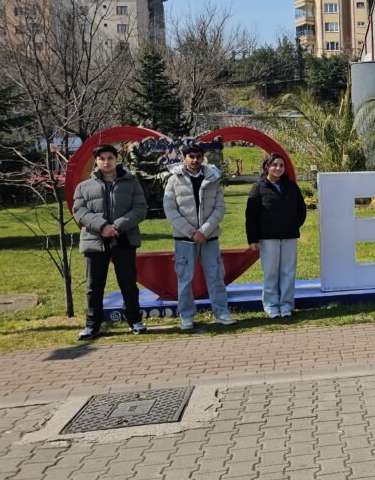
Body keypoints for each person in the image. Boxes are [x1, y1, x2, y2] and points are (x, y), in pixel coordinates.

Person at [71, 144, 148, 340]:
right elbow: (79, 212)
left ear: (116, 159)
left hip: (124, 239)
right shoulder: (84, 187)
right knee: (94, 286)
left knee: (128, 283)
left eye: (110, 158)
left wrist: (118, 226)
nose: (106, 162)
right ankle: (92, 325)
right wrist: (103, 226)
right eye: (102, 158)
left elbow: (140, 208)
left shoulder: (131, 182)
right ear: (96, 161)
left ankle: (135, 321)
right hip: (95, 240)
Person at [163, 144, 235, 330]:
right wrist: (191, 232)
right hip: (184, 238)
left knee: (216, 275)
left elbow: (220, 207)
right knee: (185, 278)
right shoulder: (173, 180)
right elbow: (170, 209)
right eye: (191, 156)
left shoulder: (213, 177)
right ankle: (186, 316)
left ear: (203, 157)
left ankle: (221, 313)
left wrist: (204, 231)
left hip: (209, 237)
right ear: (184, 158)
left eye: (198, 156)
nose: (195, 160)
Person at [245, 153, 307, 318]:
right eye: (274, 165)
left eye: (281, 165)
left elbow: (301, 209)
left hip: (289, 236)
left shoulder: (291, 186)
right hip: (268, 238)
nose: (278, 168)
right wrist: (252, 239)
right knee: (271, 272)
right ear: (267, 167)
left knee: (288, 271)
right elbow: (251, 216)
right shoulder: (258, 188)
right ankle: (271, 305)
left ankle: (286, 305)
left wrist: (294, 224)